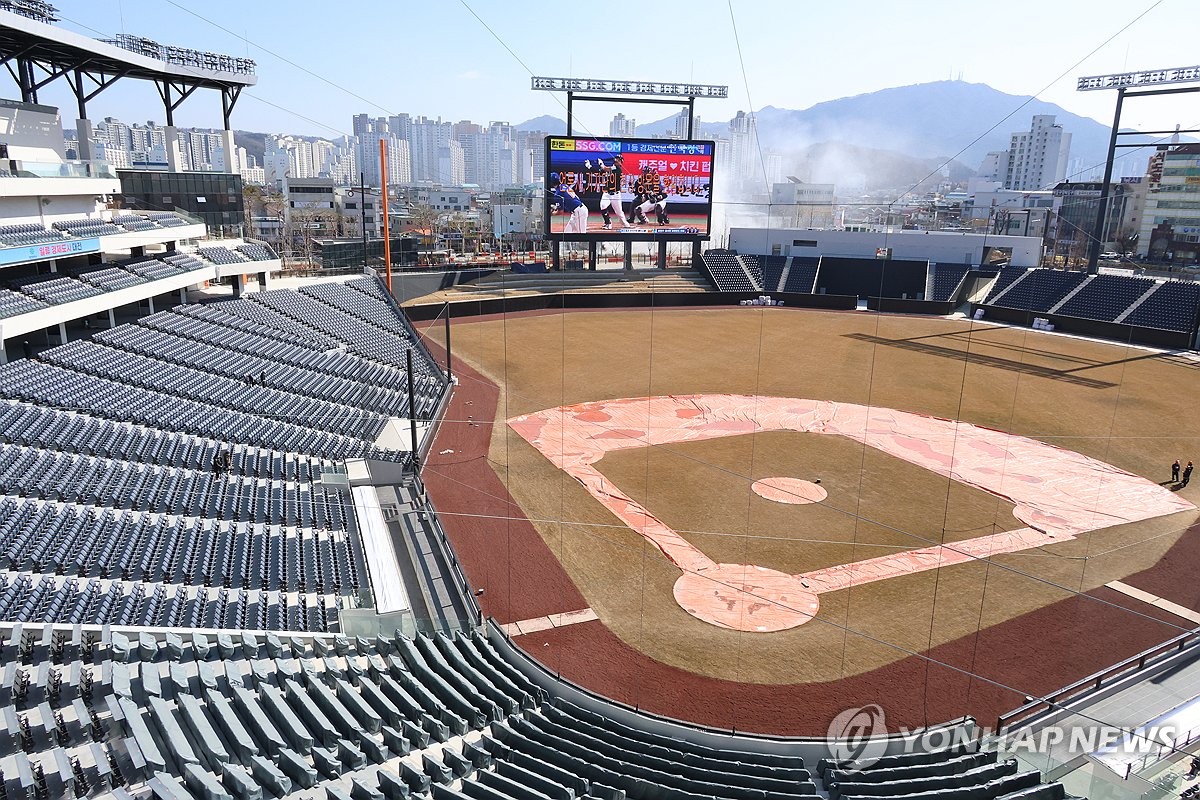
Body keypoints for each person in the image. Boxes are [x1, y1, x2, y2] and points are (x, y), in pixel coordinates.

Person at [586, 154, 629, 229]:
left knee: (619, 212)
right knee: (603, 206)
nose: (616, 161)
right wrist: (589, 166)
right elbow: (598, 173)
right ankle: (608, 223)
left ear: (621, 162)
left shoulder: (618, 169)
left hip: (616, 194)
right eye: (616, 159)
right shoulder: (611, 168)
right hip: (606, 193)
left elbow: (605, 168)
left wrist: (601, 163)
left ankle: (625, 223)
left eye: (618, 160)